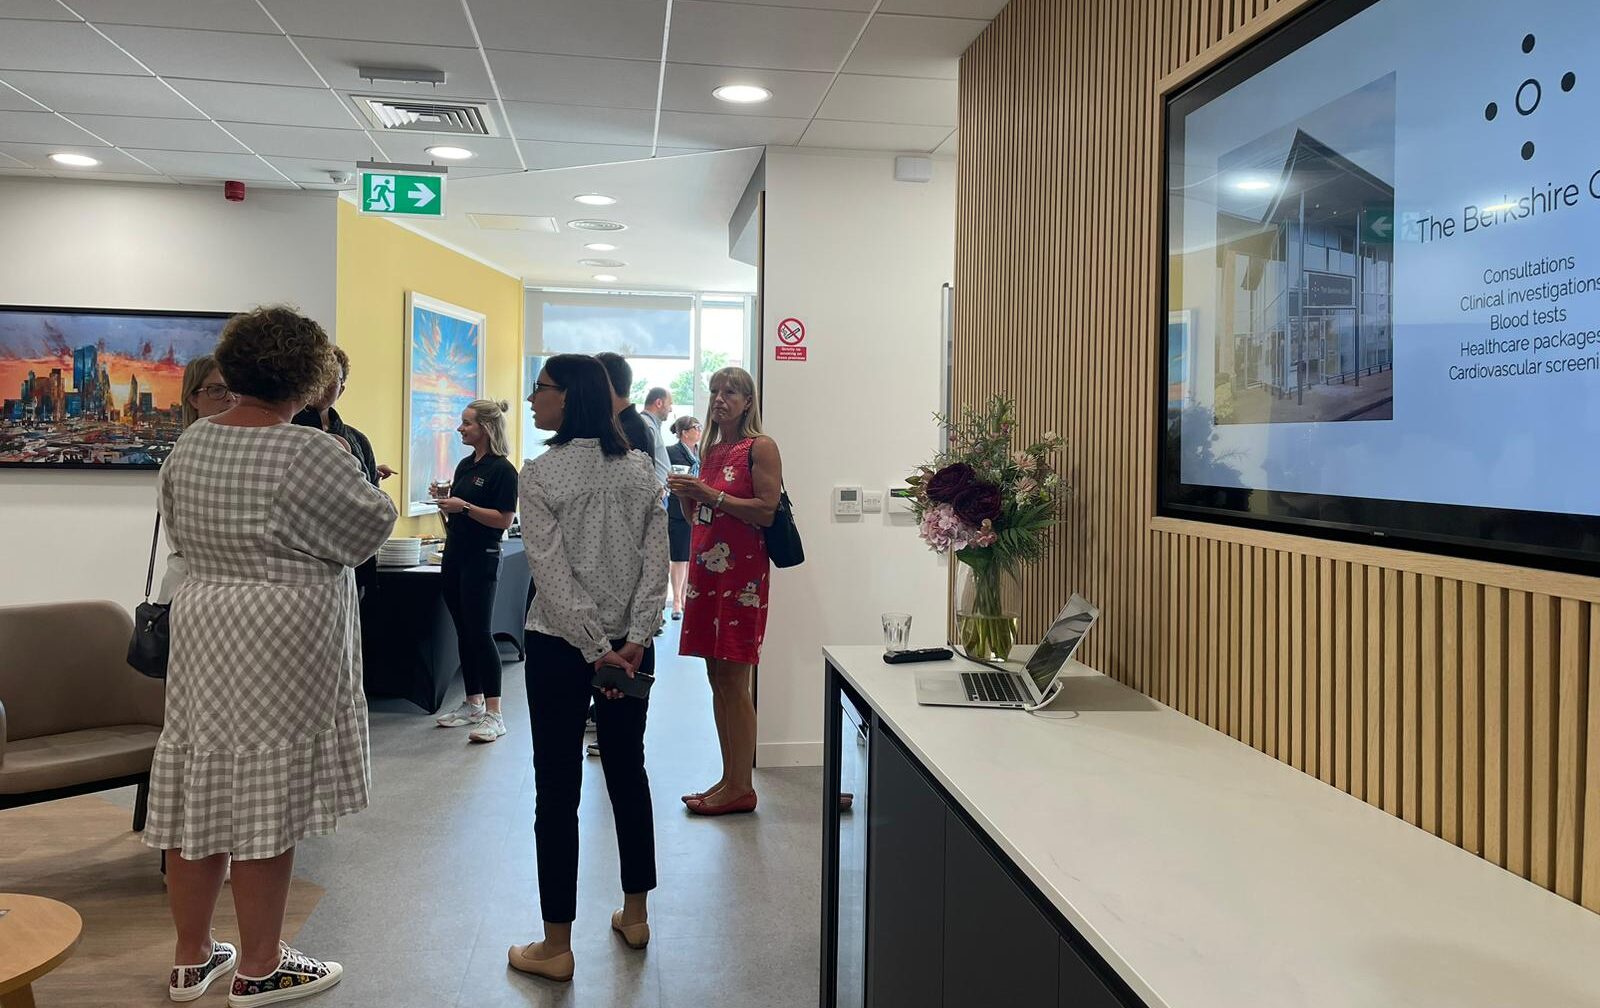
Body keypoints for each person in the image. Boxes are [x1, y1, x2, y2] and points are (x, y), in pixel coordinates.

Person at [147, 306, 396, 1005]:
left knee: (200, 780)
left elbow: (181, 533)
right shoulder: (309, 450)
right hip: (280, 630)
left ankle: (191, 957)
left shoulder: (192, 443)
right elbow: (368, 531)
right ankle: (261, 963)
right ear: (311, 377)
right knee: (266, 793)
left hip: (204, 620)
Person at [509, 353, 668, 981]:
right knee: (629, 771)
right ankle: (635, 913)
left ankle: (556, 944)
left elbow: (548, 573)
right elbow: (657, 568)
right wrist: (632, 638)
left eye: (540, 388)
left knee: (557, 786)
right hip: (629, 650)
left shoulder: (541, 474)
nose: (531, 399)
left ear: (567, 398)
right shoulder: (642, 472)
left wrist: (587, 642)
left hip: (557, 647)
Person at [668, 367, 782, 816]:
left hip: (741, 578)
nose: (719, 399)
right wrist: (686, 495)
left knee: (735, 679)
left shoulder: (762, 447)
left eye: (730, 392)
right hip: (708, 573)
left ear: (748, 400)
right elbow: (700, 511)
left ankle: (741, 786)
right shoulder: (712, 451)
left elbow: (767, 512)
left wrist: (708, 495)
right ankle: (730, 778)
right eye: (714, 391)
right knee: (717, 678)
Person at [431, 399, 519, 744]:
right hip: (455, 554)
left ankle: (495, 713)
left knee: (480, 632)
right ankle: (472, 703)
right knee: (463, 631)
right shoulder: (466, 466)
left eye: (466, 423)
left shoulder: (503, 471)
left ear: (485, 428)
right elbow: (459, 516)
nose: (460, 429)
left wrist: (464, 506)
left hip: (482, 557)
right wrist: (448, 504)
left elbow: (503, 520)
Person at [291, 346, 395, 596]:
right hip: (304, 560)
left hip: (355, 558)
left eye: (332, 377)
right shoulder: (288, 433)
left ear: (342, 388)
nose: (323, 382)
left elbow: (372, 497)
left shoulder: (357, 439)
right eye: (319, 373)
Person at [156, 354, 236, 605]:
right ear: (193, 397)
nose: (229, 398)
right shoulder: (180, 458)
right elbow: (176, 534)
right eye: (216, 390)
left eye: (235, 390)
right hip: (188, 588)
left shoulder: (242, 453)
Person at [665, 415, 702, 620]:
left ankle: (688, 598)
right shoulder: (672, 452)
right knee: (679, 557)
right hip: (678, 510)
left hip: (698, 508)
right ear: (684, 432)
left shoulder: (701, 452)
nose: (699, 430)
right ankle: (677, 601)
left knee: (691, 557)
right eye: (695, 427)